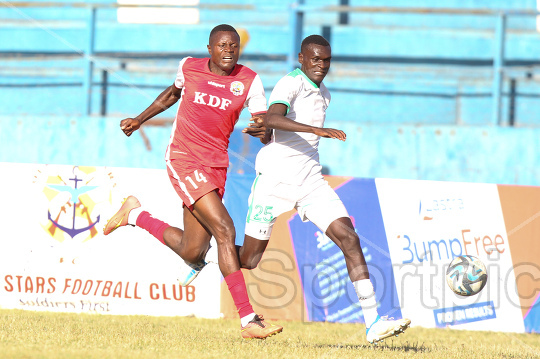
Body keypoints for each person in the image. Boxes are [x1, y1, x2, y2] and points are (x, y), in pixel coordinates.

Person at [103, 24, 282, 340]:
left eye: (235, 46)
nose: (229, 50)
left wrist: (263, 131)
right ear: (210, 48)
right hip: (183, 157)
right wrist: (139, 119)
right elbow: (171, 94)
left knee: (192, 250)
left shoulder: (249, 80)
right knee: (225, 230)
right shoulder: (189, 67)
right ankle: (248, 319)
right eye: (223, 45)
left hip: (216, 166)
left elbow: (261, 122)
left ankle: (133, 214)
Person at [238, 35, 411, 344]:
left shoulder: (324, 94)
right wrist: (314, 130)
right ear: (302, 59)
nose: (321, 66)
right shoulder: (289, 83)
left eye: (326, 60)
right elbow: (273, 117)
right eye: (315, 59)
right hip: (274, 181)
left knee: (349, 238)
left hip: (310, 182)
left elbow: (273, 129)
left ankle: (373, 322)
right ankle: (204, 256)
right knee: (249, 260)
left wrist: (275, 134)